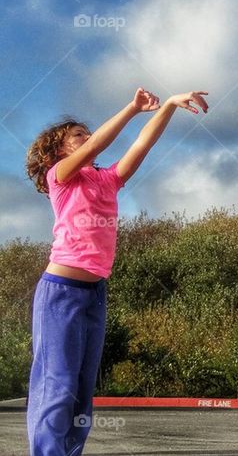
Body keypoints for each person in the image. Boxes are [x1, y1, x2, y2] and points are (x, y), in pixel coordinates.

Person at [24, 87, 209, 456]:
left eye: (86, 133)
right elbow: (94, 149)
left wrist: (169, 105)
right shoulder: (58, 178)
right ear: (59, 149)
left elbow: (141, 145)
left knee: (80, 389)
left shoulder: (107, 180)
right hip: (60, 291)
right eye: (78, 135)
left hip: (95, 294)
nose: (87, 138)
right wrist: (132, 107)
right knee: (56, 385)